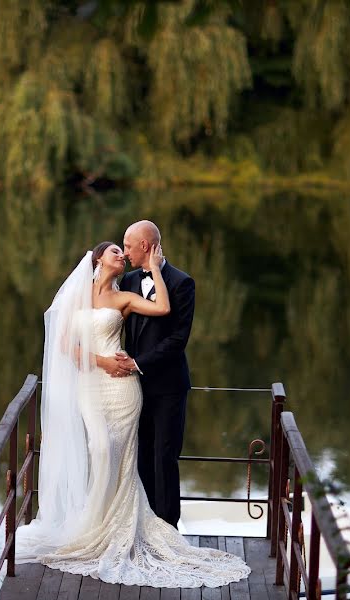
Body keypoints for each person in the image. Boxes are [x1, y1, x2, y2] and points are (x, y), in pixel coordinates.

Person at [15, 240, 249, 588]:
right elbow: (65, 344)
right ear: (97, 259)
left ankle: (125, 526)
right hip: (91, 385)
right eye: (116, 251)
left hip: (123, 388)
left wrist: (155, 267)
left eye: (126, 250)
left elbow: (163, 309)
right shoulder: (76, 295)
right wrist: (102, 361)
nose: (122, 255)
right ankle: (94, 526)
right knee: (98, 448)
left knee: (124, 456)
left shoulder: (125, 295)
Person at [113, 220, 194, 527]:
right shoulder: (129, 280)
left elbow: (178, 340)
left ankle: (168, 529)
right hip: (132, 388)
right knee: (141, 456)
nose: (125, 252)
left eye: (129, 245)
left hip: (168, 386)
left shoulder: (182, 283)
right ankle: (144, 525)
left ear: (145, 246)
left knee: (165, 457)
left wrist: (138, 362)